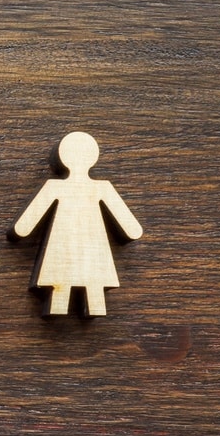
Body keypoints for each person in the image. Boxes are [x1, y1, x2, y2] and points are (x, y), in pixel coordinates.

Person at [11, 131, 143, 316]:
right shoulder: (101, 188)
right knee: (91, 284)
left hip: (62, 249)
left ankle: (60, 309)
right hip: (94, 252)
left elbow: (24, 226)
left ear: (63, 158)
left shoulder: (57, 187)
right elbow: (132, 228)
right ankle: (89, 309)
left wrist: (22, 230)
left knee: (61, 285)